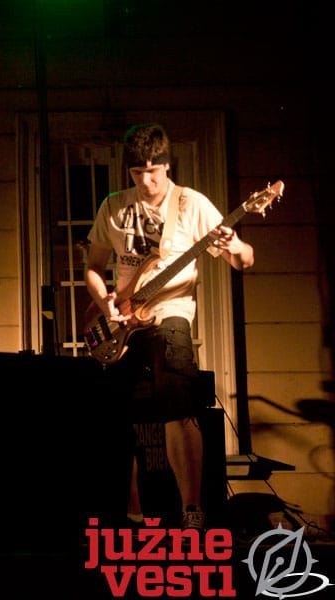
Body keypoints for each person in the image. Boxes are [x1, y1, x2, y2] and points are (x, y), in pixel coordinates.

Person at [83, 123, 254, 530]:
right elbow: (93, 267)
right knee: (111, 414)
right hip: (122, 322)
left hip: (171, 313)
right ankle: (127, 510)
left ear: (166, 165)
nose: (146, 181)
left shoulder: (192, 204)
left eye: (152, 171)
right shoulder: (114, 207)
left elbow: (244, 260)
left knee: (178, 404)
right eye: (137, 173)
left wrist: (233, 245)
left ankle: (192, 509)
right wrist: (106, 305)